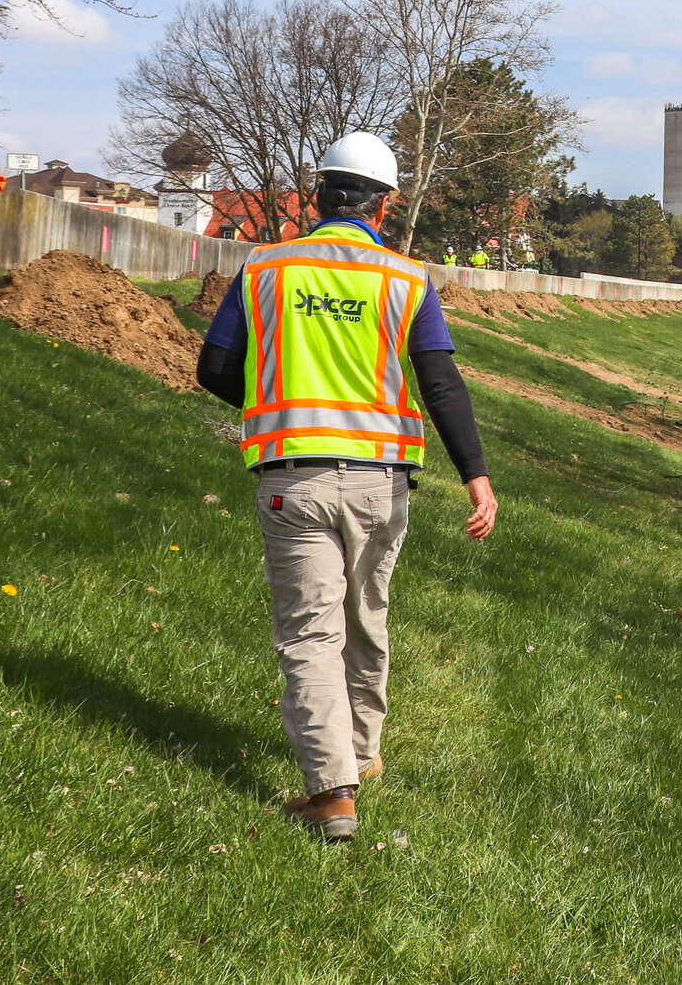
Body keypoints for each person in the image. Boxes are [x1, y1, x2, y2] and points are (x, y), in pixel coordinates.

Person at [194, 132, 498, 843]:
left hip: (291, 478)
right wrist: (476, 476)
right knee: (366, 615)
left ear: (322, 192)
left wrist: (275, 398)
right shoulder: (405, 278)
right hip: (382, 484)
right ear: (383, 205)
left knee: (310, 632)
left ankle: (333, 789)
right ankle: (359, 755)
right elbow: (441, 381)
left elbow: (213, 367)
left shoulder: (266, 266)